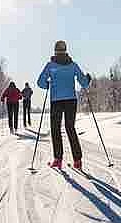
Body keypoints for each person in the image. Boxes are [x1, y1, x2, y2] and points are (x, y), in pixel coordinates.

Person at [37, 40, 91, 170]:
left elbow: (40, 82)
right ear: (66, 50)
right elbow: (84, 83)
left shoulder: (50, 65)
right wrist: (87, 78)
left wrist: (48, 84)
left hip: (56, 100)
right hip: (71, 100)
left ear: (55, 51)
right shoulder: (73, 65)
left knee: (55, 129)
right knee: (70, 128)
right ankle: (77, 161)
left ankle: (58, 159)